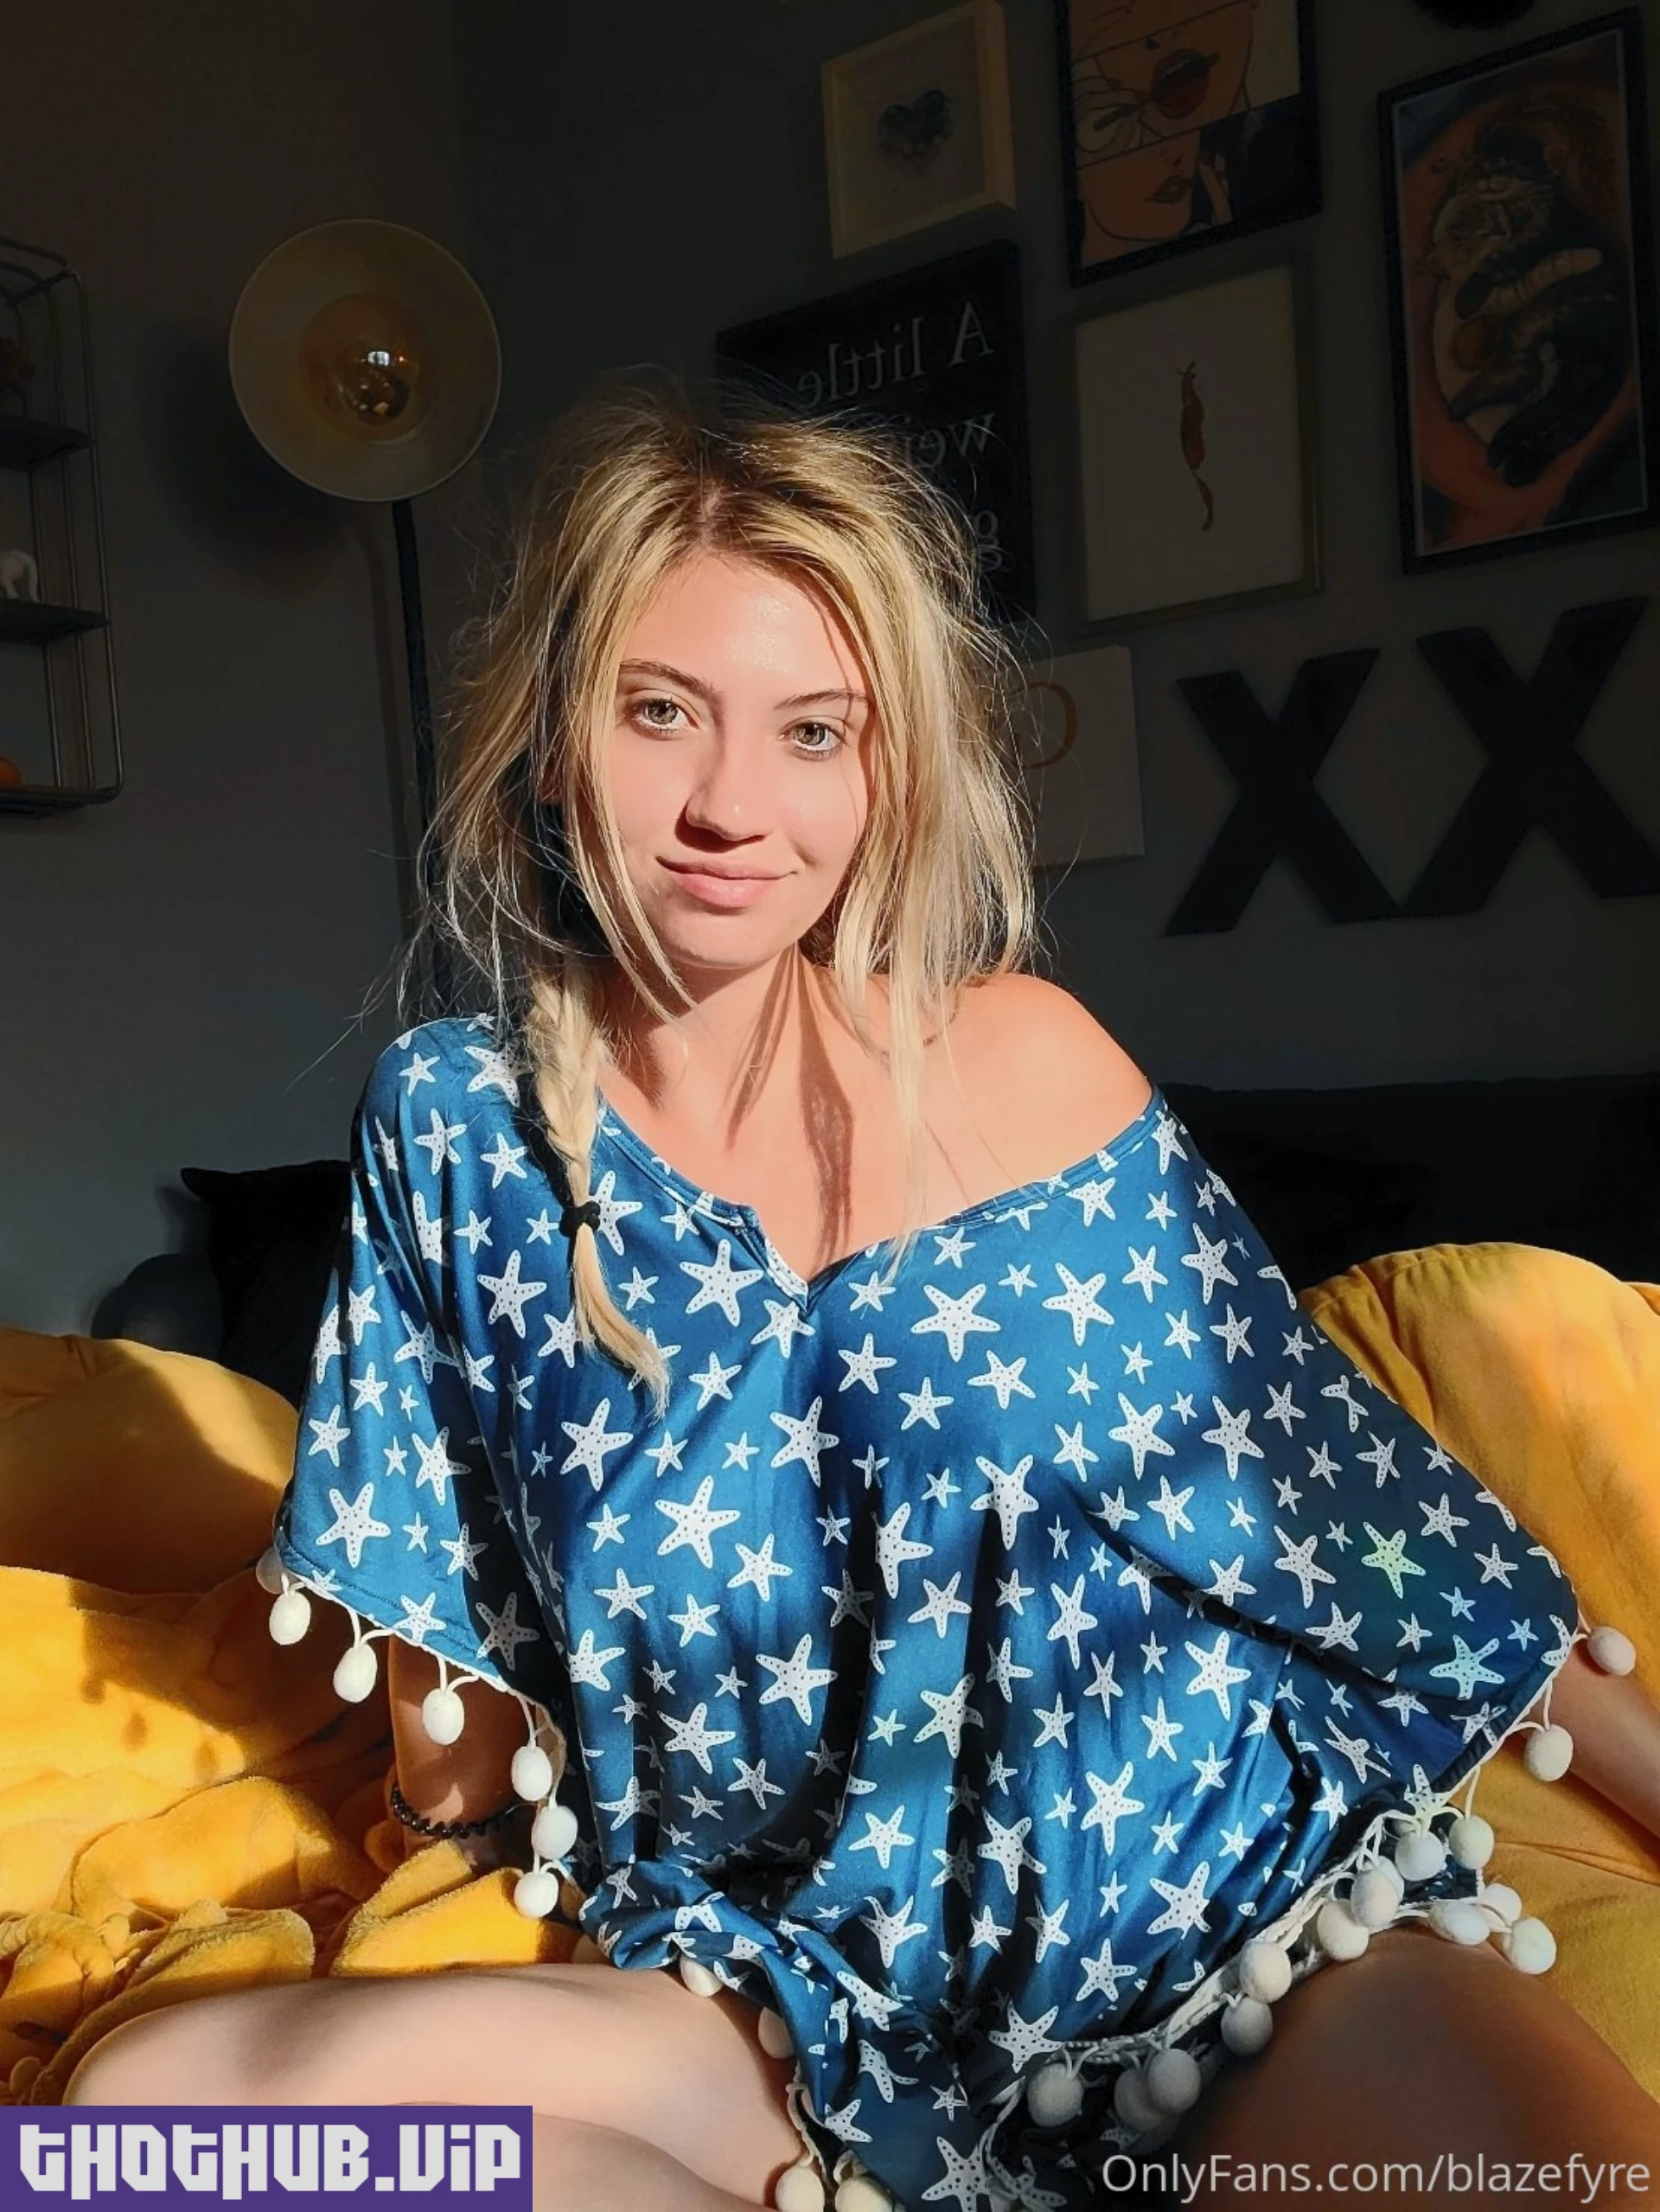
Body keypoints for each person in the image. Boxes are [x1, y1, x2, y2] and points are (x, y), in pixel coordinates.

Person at [66, 387, 1660, 2210]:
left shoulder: (1028, 1064)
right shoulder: (459, 1129)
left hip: (1249, 1952)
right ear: (550, 742)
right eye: (660, 711)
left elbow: (1347, 1518)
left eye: (812, 731)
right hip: (805, 2013)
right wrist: (449, 1713)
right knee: (143, 2110)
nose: (732, 806)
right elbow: (460, 1725)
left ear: (886, 772)